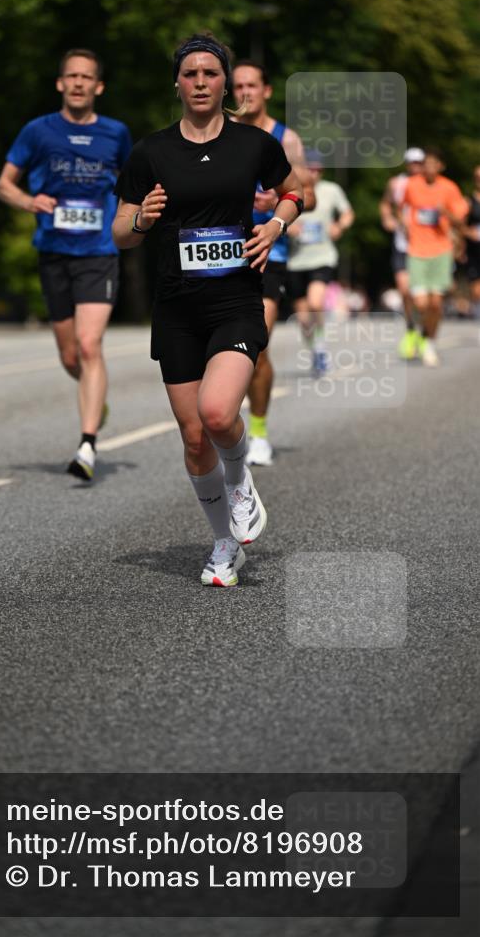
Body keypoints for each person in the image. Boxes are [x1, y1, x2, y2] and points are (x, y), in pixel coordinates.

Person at [112, 33, 303, 587]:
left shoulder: (253, 144)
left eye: (210, 74)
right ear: (177, 84)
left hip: (236, 299)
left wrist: (275, 223)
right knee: (194, 437)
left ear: (225, 84)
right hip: (176, 307)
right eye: (190, 74)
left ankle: (241, 478)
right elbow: (121, 232)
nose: (200, 82)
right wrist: (144, 218)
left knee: (219, 414)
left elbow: (294, 192)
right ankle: (223, 544)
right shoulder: (151, 151)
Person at [0, 49, 132, 480]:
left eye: (86, 77)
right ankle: (97, 399)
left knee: (91, 346)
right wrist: (28, 200)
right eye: (71, 76)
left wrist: (132, 221)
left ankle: (87, 444)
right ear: (60, 83)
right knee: (71, 354)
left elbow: (133, 186)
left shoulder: (116, 134)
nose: (77, 83)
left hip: (98, 252)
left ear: (98, 87)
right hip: (54, 251)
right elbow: (4, 185)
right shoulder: (37, 132)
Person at [232, 61, 315, 466]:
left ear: (266, 91)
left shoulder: (286, 138)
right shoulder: (217, 133)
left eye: (251, 85)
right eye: (237, 86)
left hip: (269, 253)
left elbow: (308, 196)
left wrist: (276, 204)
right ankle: (224, 425)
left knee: (255, 346)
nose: (244, 92)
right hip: (222, 252)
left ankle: (259, 432)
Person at [286, 151, 354, 374]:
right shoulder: (288, 189)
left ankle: (322, 345)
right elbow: (272, 215)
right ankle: (315, 349)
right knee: (303, 319)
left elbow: (348, 213)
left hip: (322, 257)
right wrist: (286, 227)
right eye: (309, 169)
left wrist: (339, 226)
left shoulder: (331, 190)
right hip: (295, 261)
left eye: (317, 169)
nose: (313, 173)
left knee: (316, 304)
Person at [400, 148, 468, 367]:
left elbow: (459, 223)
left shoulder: (450, 188)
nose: (428, 168)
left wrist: (445, 213)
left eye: (432, 164)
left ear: (440, 166)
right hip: (416, 250)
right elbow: (401, 208)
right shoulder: (412, 185)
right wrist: (403, 226)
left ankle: (428, 343)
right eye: (425, 164)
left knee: (436, 304)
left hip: (441, 250)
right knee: (421, 304)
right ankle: (422, 332)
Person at [380, 147, 425, 358]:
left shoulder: (430, 185)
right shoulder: (396, 183)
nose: (415, 166)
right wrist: (387, 219)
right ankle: (410, 329)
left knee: (423, 297)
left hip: (425, 247)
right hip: (402, 244)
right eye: (412, 162)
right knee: (405, 290)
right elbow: (385, 205)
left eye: (419, 162)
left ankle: (423, 333)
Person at [460, 163, 480, 320]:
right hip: (474, 251)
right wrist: (468, 233)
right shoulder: (468, 202)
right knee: (476, 290)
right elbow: (459, 226)